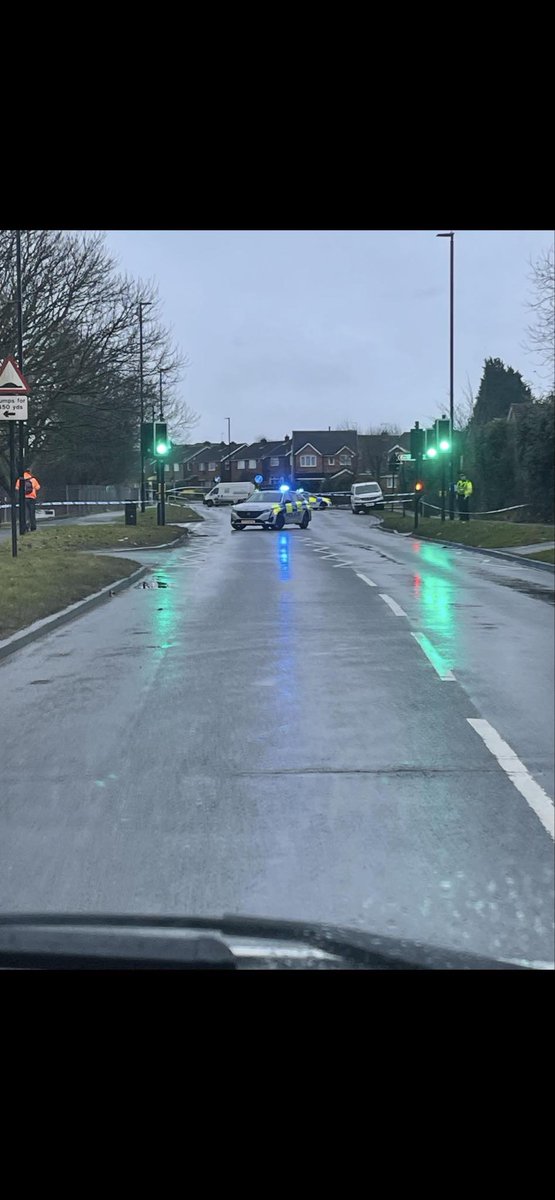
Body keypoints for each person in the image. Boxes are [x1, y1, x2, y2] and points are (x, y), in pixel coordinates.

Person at [15, 468, 41, 532]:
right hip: (32, 498)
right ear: (30, 472)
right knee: (32, 513)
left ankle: (25, 526)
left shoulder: (20, 480)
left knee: (24, 513)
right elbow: (38, 487)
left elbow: (16, 488)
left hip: (23, 498)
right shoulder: (33, 479)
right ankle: (33, 526)